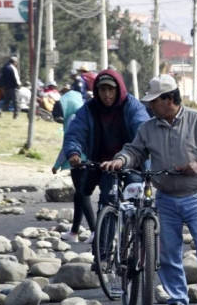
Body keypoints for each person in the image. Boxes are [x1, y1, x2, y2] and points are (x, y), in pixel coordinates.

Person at [101, 74, 197, 305]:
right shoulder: (148, 128)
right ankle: (177, 299)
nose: (149, 106)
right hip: (166, 197)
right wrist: (120, 160)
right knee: (168, 251)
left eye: (154, 101)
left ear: (170, 99)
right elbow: (135, 151)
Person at [61, 69, 150, 242]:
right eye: (102, 90)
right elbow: (75, 133)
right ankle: (102, 253)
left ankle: (135, 243)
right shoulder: (89, 108)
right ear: (96, 91)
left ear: (119, 89)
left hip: (133, 162)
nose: (107, 94)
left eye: (111, 89)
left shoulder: (132, 106)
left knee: (134, 199)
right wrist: (73, 152)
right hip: (105, 165)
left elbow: (143, 131)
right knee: (106, 203)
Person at [51, 87, 95, 243]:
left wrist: (56, 164)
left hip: (77, 161)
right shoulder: (85, 114)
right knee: (79, 195)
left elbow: (68, 145)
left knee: (83, 195)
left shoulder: (72, 118)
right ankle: (74, 232)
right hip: (87, 160)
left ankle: (94, 230)